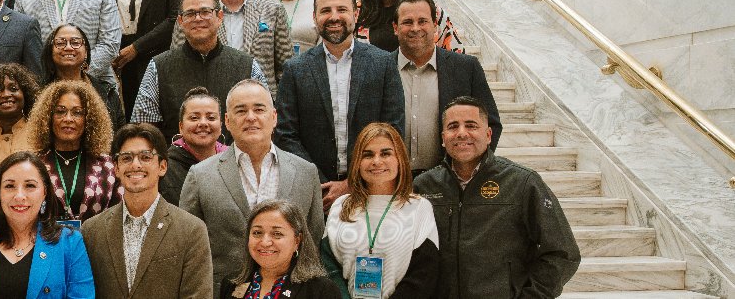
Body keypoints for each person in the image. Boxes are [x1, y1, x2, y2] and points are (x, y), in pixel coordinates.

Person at [414, 97, 581, 298]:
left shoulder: (522, 182)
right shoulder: (423, 186)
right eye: (452, 126)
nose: (461, 133)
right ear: (443, 137)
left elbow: (563, 253)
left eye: (471, 125)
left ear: (488, 134)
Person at [182, 80, 325, 289]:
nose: (251, 117)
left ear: (274, 117)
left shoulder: (306, 173)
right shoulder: (200, 175)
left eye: (259, 109)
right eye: (241, 111)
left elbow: (312, 240)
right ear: (228, 121)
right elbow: (189, 248)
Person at [274, 0, 405, 207]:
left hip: (372, 189)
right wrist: (321, 185)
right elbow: (286, 135)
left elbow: (393, 129)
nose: (334, 17)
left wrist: (351, 185)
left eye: (342, 10)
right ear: (314, 17)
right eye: (326, 11)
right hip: (313, 193)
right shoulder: (295, 69)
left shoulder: (383, 64)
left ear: (355, 14)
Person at [0, 151, 94, 298]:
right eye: (9, 186)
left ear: (45, 192)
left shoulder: (70, 243)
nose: (19, 196)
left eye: (30, 186)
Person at [82, 124, 213, 299]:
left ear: (163, 166)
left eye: (145, 157)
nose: (135, 165)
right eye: (126, 158)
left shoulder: (192, 230)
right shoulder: (91, 231)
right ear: (116, 168)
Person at [131, 0, 264, 140]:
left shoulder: (247, 66)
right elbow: (144, 129)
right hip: (177, 161)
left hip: (234, 160)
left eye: (205, 12)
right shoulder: (159, 67)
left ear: (220, 17)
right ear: (180, 21)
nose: (198, 18)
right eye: (190, 13)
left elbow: (264, 122)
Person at [324, 123, 439, 298]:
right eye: (368, 154)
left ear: (399, 159)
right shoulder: (341, 205)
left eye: (386, 153)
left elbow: (423, 275)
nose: (376, 161)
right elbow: (327, 265)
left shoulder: (419, 207)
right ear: (357, 162)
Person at [394, 0, 502, 173]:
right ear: (395, 28)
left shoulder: (466, 68)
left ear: (435, 26)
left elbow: (491, 123)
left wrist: (471, 170)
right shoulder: (380, 68)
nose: (415, 28)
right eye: (407, 22)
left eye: (422, 21)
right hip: (392, 182)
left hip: (449, 182)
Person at [31, 80, 120, 222]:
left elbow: (118, 215)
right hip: (46, 242)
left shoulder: (108, 166)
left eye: (77, 113)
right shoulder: (33, 164)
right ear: (48, 117)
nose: (68, 119)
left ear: (89, 119)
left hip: (96, 242)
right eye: (60, 111)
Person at [219, 199, 343, 299]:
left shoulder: (320, 290)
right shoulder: (231, 283)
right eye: (257, 233)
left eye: (277, 234)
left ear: (297, 240)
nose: (265, 242)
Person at [41, 23, 124, 130]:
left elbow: (120, 138)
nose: (68, 47)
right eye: (60, 43)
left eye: (75, 42)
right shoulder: (38, 92)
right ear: (50, 51)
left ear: (86, 52)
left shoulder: (107, 92)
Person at [156, 87, 225, 205]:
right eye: (194, 118)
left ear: (221, 126)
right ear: (181, 127)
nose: (203, 123)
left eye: (211, 118)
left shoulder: (233, 162)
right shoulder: (163, 168)